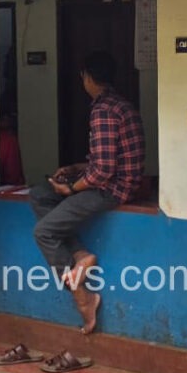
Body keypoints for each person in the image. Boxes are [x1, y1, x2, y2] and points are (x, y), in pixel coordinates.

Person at [30, 51, 144, 335]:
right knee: (41, 194)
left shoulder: (103, 110)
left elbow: (103, 171)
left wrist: (71, 188)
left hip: (111, 190)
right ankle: (80, 254)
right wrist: (74, 169)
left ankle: (83, 296)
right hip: (116, 182)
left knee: (44, 232)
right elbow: (106, 160)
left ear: (88, 78)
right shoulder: (119, 104)